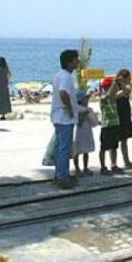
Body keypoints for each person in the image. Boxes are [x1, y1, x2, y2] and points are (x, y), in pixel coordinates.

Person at [51, 49, 79, 189]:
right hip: (64, 117)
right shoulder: (66, 77)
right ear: (69, 62)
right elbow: (63, 92)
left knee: (59, 147)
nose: (78, 62)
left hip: (58, 116)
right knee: (64, 148)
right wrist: (69, 108)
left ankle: (60, 174)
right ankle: (62, 177)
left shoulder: (58, 75)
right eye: (76, 59)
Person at [72, 90, 99, 175]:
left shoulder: (87, 109)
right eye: (86, 98)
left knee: (86, 151)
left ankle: (85, 168)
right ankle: (77, 169)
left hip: (87, 131)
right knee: (77, 151)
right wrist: (85, 114)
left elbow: (94, 122)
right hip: (78, 133)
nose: (87, 100)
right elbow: (78, 123)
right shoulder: (78, 110)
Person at [98, 76, 121, 175]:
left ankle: (113, 164)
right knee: (104, 147)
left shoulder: (114, 97)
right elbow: (106, 96)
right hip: (106, 125)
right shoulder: (103, 97)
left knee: (114, 146)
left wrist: (120, 83)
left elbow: (124, 91)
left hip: (115, 123)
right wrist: (114, 83)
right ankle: (103, 167)